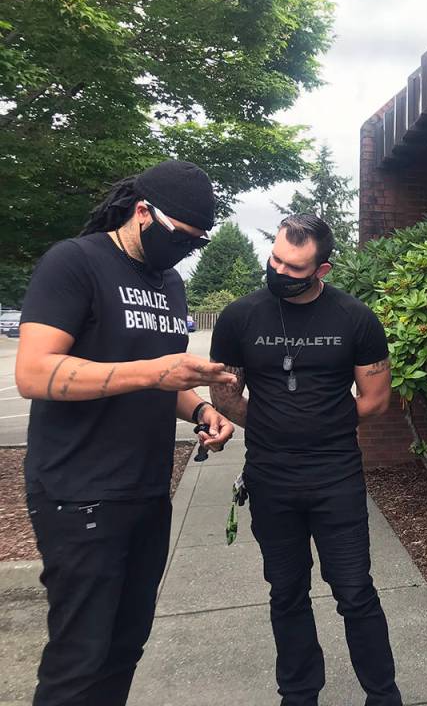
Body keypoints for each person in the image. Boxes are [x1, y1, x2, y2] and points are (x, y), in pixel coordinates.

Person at [14, 159, 237, 706]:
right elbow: (34, 372)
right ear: (143, 213)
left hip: (144, 488)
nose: (185, 249)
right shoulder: (75, 263)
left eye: (196, 241)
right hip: (79, 491)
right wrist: (158, 373)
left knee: (125, 644)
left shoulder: (171, 284)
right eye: (180, 236)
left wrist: (199, 410)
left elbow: (159, 376)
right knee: (80, 657)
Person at [209, 213, 400, 706]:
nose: (278, 272)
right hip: (270, 476)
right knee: (286, 591)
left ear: (323, 269)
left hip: (335, 475)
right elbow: (226, 396)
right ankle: (298, 694)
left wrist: (322, 425)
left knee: (355, 591)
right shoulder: (238, 316)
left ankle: (383, 695)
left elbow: (376, 398)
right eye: (274, 259)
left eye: (294, 267)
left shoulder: (354, 317)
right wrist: (273, 424)